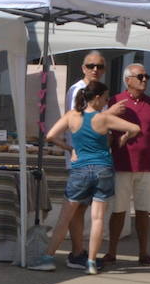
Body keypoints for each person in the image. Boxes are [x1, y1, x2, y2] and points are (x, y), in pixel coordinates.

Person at [36, 81, 140, 274]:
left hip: (80, 169)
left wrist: (69, 148)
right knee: (98, 218)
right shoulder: (103, 118)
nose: (107, 102)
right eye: (106, 98)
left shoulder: (72, 116)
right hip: (103, 168)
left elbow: (50, 136)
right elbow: (135, 128)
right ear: (98, 98)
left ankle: (48, 257)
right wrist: (123, 138)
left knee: (64, 218)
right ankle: (91, 262)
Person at [102, 63, 150, 267]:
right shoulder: (115, 102)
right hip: (122, 164)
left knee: (143, 211)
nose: (145, 80)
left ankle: (143, 253)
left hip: (147, 166)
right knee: (119, 211)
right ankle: (111, 252)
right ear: (127, 80)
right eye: (140, 76)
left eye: (146, 76)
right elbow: (103, 129)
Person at [60, 51, 107, 268]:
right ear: (83, 68)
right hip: (82, 157)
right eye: (91, 66)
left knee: (84, 207)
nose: (95, 69)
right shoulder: (79, 90)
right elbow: (77, 121)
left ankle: (81, 253)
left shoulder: (98, 92)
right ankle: (77, 252)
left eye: (99, 66)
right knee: (77, 207)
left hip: (92, 157)